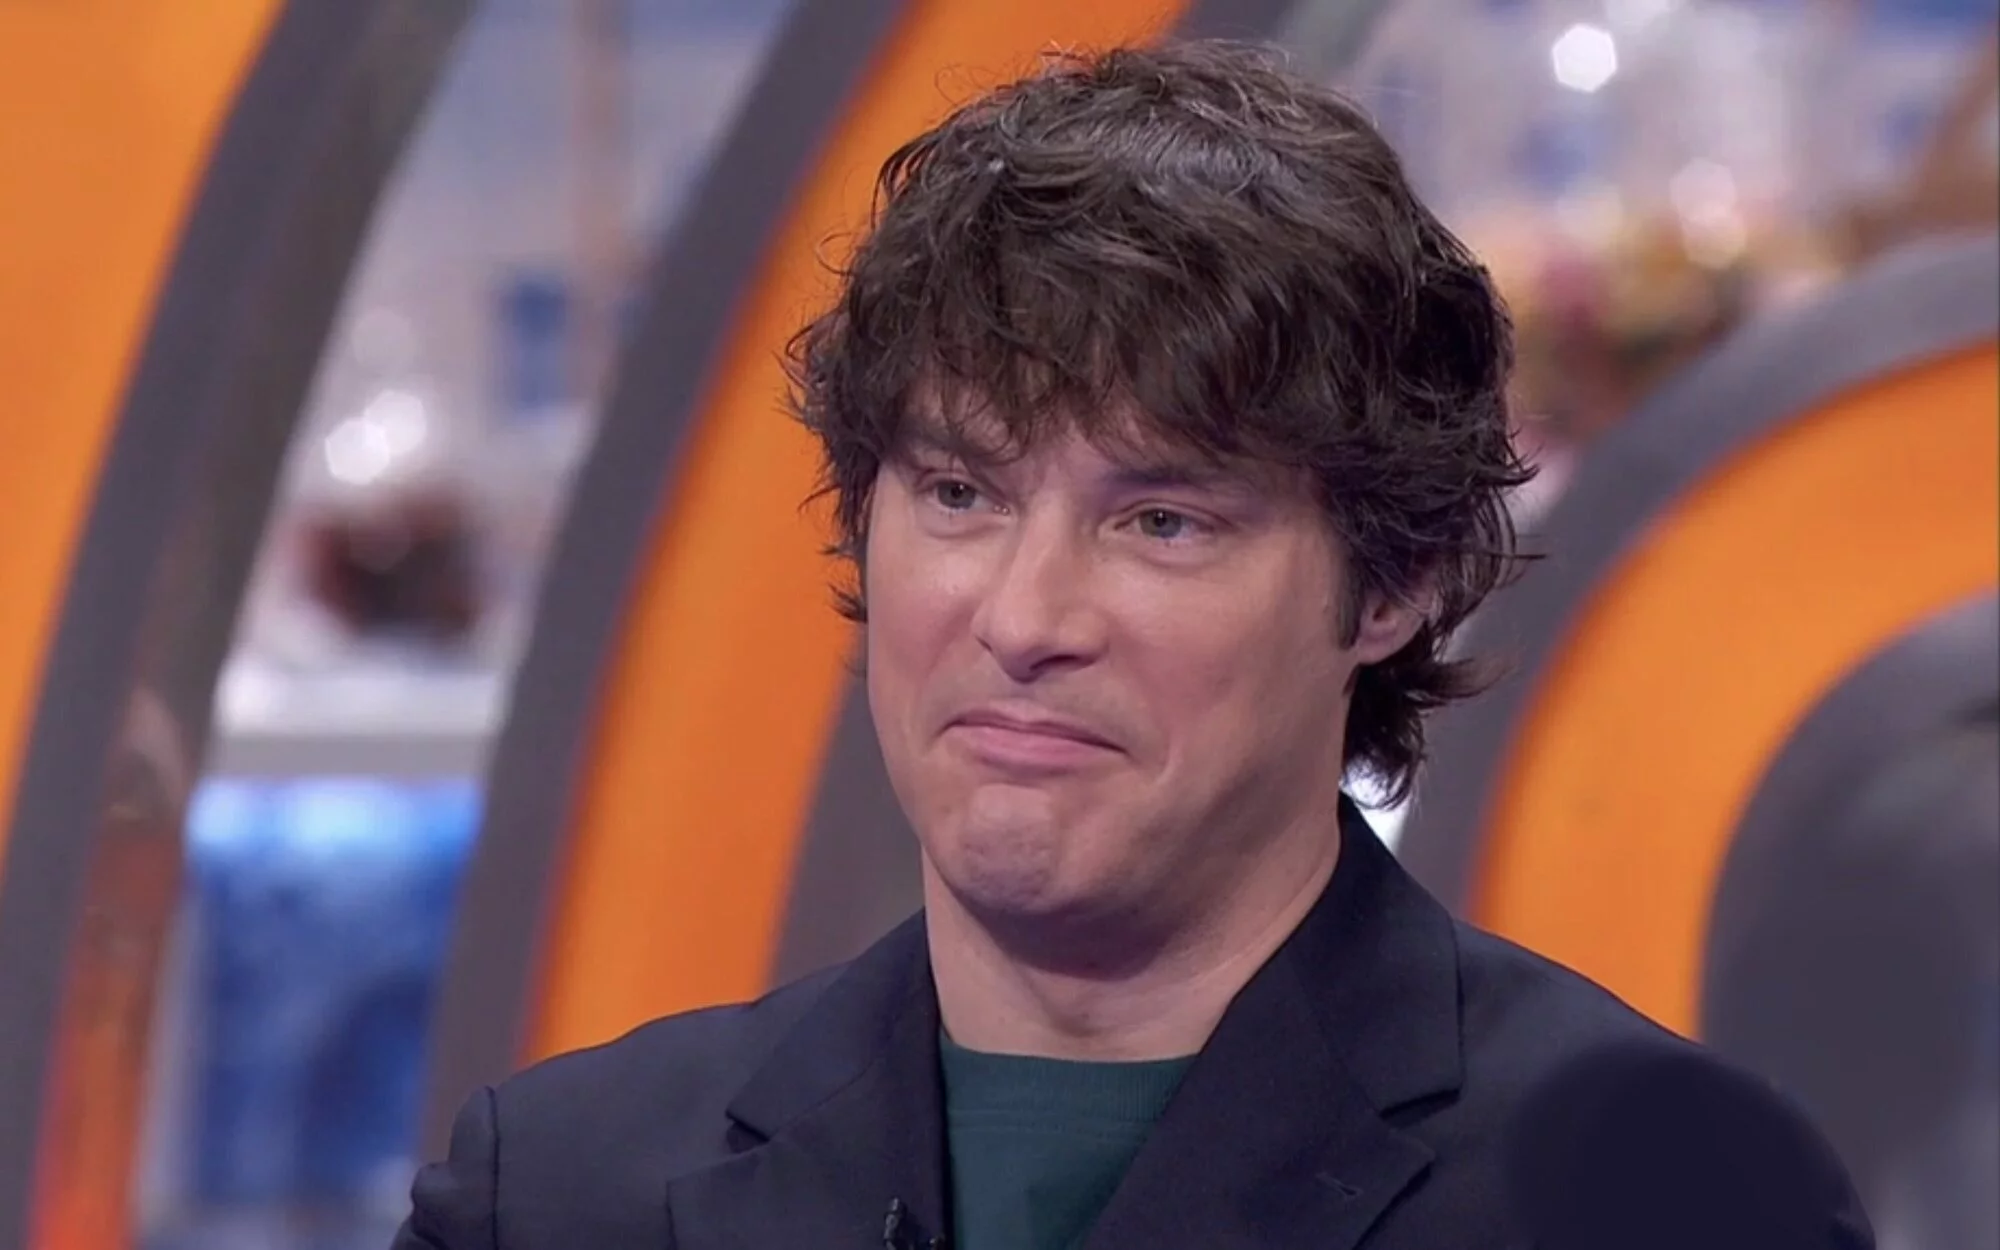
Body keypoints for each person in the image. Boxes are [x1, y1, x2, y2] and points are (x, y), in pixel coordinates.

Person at [395, 41, 1873, 1249]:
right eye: (961, 493)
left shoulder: (1661, 1207)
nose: (1026, 619)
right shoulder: (558, 1195)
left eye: (1162, 520)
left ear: (1392, 585)